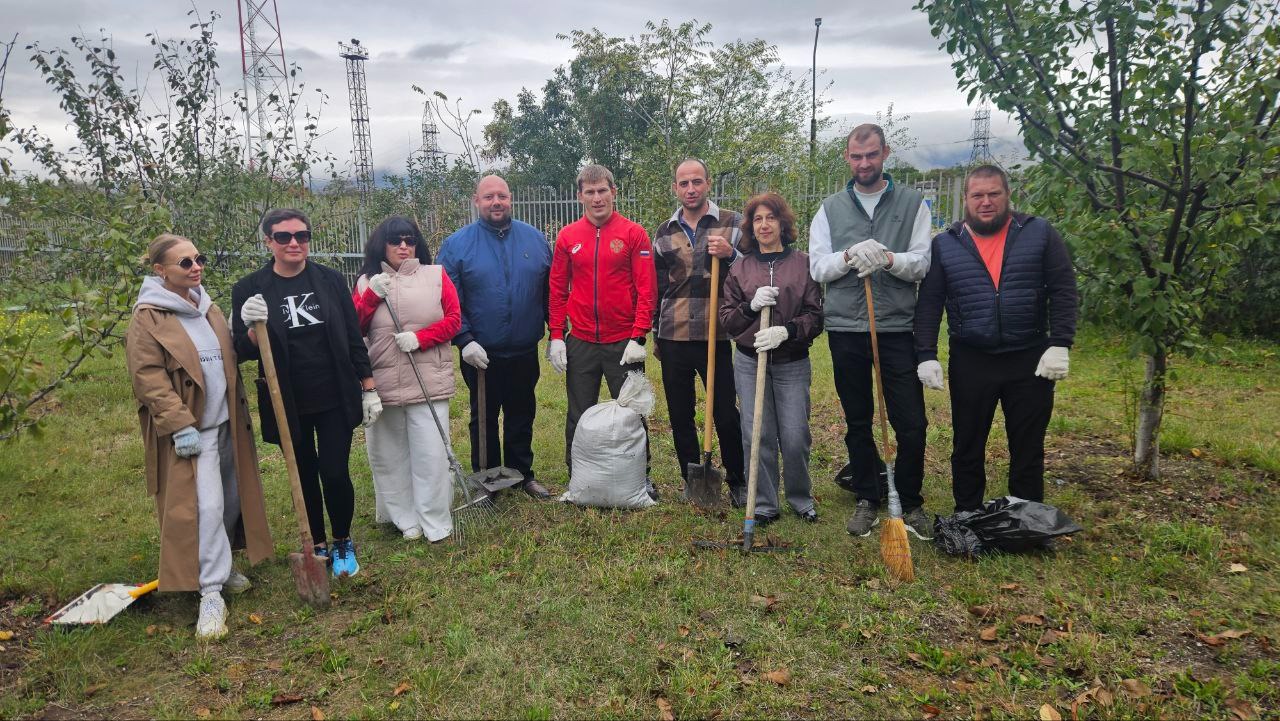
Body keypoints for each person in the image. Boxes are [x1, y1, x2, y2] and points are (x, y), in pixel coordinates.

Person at [126, 234, 273, 640]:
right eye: (184, 263)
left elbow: (229, 355)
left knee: (228, 500)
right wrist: (178, 424)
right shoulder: (149, 317)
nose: (195, 267)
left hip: (226, 423)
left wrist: (251, 333)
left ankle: (222, 569)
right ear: (160, 271)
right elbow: (148, 377)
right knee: (204, 507)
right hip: (193, 431)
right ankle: (210, 593)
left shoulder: (206, 307)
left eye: (198, 259)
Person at [914, 164, 1078, 511]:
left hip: (1029, 356)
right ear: (965, 199)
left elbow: (1063, 289)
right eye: (978, 195)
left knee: (1028, 442)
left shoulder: (1039, 233)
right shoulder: (946, 244)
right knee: (968, 442)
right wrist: (926, 353)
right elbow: (930, 301)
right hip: (972, 358)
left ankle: (1027, 515)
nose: (985, 202)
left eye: (993, 194)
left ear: (1008, 195)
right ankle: (968, 513)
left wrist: (1060, 341)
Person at [232, 208, 381, 578]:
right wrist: (252, 327)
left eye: (301, 235)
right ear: (268, 241)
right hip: (286, 401)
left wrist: (368, 386)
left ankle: (343, 541)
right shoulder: (249, 289)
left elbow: (351, 336)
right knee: (303, 474)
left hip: (333, 394)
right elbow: (242, 349)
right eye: (283, 236)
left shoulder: (330, 281)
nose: (294, 243)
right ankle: (315, 543)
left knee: (333, 471)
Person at [808, 123, 934, 540]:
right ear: (847, 158)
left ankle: (911, 500)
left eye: (872, 155)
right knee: (858, 419)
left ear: (885, 154)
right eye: (857, 156)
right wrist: (847, 256)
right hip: (847, 327)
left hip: (897, 326)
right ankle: (867, 494)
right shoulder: (829, 208)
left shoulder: (913, 203)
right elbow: (818, 266)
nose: (864, 163)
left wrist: (888, 258)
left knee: (911, 421)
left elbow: (922, 262)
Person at [437, 175, 553, 500]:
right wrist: (465, 339)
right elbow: (448, 298)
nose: (496, 202)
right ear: (477, 201)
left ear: (511, 198)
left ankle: (521, 474)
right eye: (489, 197)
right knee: (484, 417)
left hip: (523, 350)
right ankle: (488, 479)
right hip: (480, 352)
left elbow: (549, 292)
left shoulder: (534, 240)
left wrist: (557, 333)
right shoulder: (457, 246)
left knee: (521, 412)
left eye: (501, 195)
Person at [547, 164, 657, 490]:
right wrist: (556, 336)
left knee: (632, 412)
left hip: (624, 341)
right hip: (580, 339)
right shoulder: (568, 237)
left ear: (614, 192)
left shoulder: (634, 234)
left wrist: (639, 335)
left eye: (603, 191)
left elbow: (646, 289)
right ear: (580, 196)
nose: (597, 198)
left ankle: (641, 478)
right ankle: (578, 478)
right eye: (590, 192)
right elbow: (557, 289)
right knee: (579, 412)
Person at [352, 216, 461, 542]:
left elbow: (455, 320)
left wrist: (421, 338)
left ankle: (435, 519)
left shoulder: (436, 276)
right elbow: (352, 330)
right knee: (389, 455)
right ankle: (403, 518)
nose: (403, 246)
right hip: (383, 382)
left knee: (430, 454)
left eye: (409, 240)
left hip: (428, 379)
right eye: (395, 240)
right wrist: (370, 296)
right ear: (380, 244)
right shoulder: (365, 282)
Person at [720, 193, 824, 524]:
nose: (764, 225)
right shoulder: (741, 268)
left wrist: (788, 331)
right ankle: (764, 503)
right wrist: (749, 308)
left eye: (771, 218)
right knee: (757, 433)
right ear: (751, 226)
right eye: (758, 219)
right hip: (751, 362)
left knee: (794, 436)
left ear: (783, 223)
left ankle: (800, 497)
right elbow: (727, 320)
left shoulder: (803, 264)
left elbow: (816, 315)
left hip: (791, 361)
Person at [651, 158, 747, 505]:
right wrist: (655, 333)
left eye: (696, 182)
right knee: (680, 413)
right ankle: (692, 478)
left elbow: (754, 269)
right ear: (675, 188)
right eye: (683, 184)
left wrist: (732, 254)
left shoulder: (734, 224)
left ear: (708, 183)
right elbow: (658, 287)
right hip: (674, 334)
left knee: (724, 411)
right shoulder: (664, 231)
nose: (690, 189)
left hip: (716, 334)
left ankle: (737, 479)